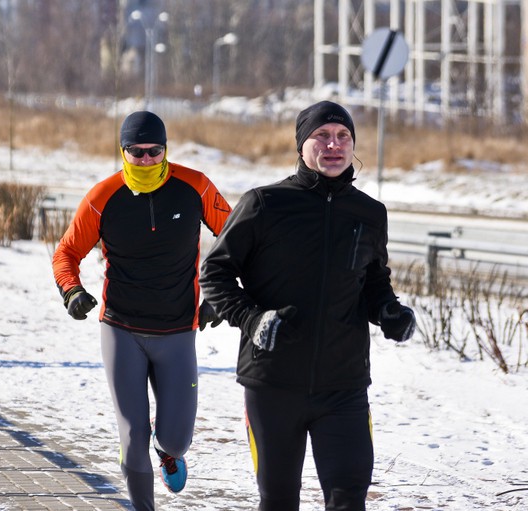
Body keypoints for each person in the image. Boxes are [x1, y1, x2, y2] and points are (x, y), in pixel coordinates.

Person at [199, 101, 416, 511]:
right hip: (273, 384)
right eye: (322, 136)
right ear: (301, 145)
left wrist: (388, 310)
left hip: (344, 386)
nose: (333, 145)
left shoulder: (369, 213)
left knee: (348, 499)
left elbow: (372, 281)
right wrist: (252, 319)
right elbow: (215, 273)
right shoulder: (265, 204)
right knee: (279, 500)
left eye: (343, 137)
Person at [52, 111, 231, 510]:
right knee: (132, 434)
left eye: (156, 151)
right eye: (138, 152)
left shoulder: (195, 187)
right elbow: (66, 252)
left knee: (177, 438)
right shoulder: (102, 198)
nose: (147, 160)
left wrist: (222, 293)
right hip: (121, 329)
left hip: (178, 331)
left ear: (166, 149)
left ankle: (167, 452)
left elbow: (239, 237)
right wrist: (71, 290)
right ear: (123, 151)